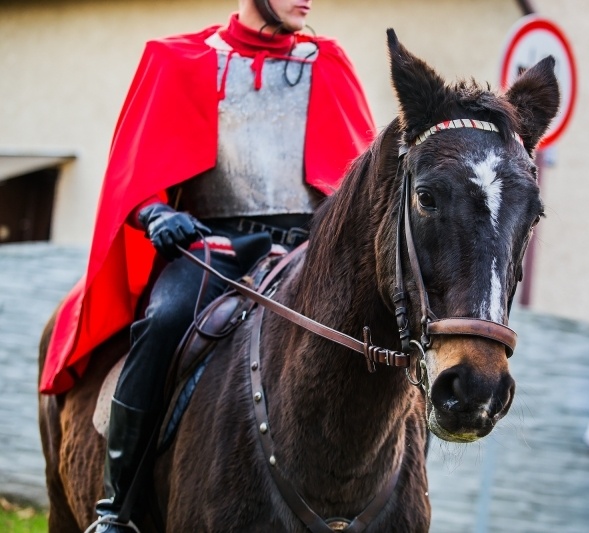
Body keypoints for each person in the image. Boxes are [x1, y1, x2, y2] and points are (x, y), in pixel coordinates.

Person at [39, 1, 375, 530]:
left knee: (379, 339)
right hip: (212, 249)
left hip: (308, 255)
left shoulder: (329, 64)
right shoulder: (178, 59)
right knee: (165, 321)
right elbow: (134, 171)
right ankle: (116, 508)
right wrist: (156, 215)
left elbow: (362, 190)